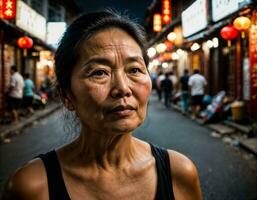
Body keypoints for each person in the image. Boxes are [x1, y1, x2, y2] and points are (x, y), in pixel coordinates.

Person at [2, 10, 202, 200]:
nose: (123, 88)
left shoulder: (179, 173)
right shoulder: (32, 188)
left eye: (134, 69)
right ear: (66, 95)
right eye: (99, 72)